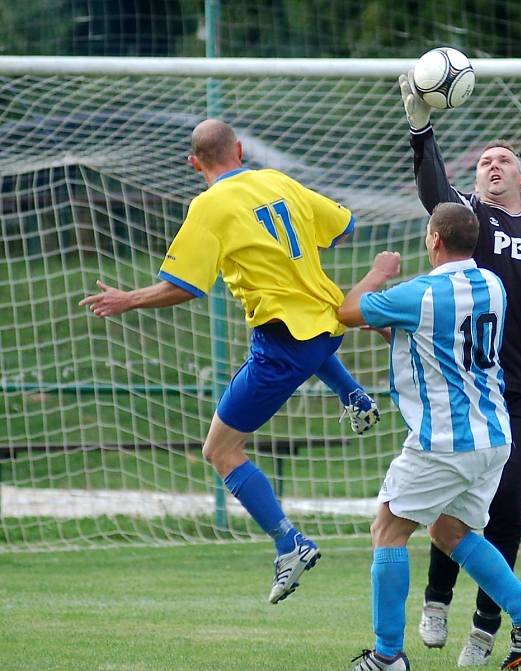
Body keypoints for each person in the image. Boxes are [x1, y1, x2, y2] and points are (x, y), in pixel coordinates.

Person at [79, 119, 379, 604]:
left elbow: (184, 286)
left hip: (283, 345)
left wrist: (128, 299)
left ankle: (290, 543)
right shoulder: (277, 180)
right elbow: (344, 227)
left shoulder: (209, 205)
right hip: (327, 325)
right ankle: (354, 394)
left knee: (220, 451)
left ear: (194, 163)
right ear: (239, 149)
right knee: (306, 338)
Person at [399, 74, 521, 665]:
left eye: (503, 160)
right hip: (471, 383)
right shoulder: (470, 222)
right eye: (484, 160)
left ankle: (487, 624)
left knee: (506, 504)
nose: (492, 166)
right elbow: (435, 191)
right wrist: (420, 130)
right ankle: (436, 597)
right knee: (455, 494)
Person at [338, 202, 521, 671]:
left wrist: (378, 272)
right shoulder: (493, 285)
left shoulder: (419, 292)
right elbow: (440, 341)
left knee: (388, 530)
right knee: (449, 530)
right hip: (494, 435)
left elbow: (348, 311)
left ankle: (387, 655)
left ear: (434, 239)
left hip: (445, 442)